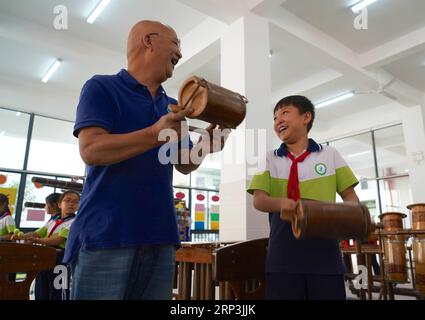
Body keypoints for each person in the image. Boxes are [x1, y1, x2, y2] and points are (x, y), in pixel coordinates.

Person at [65, 20, 226, 300]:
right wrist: (154, 133)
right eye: (176, 43)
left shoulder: (173, 105)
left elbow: (185, 163)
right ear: (149, 41)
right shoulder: (101, 87)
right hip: (107, 235)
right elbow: (91, 149)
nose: (180, 53)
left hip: (160, 236)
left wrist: (206, 145)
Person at [247, 95, 360, 300]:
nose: (278, 120)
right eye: (275, 117)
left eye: (285, 113)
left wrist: (350, 219)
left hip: (325, 254)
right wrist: (283, 203)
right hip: (282, 254)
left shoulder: (330, 154)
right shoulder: (269, 158)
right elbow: (259, 200)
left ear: (306, 117)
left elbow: (350, 197)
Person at [19, 191, 80, 300]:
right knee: (42, 288)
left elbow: (57, 240)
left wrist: (36, 241)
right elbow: (37, 232)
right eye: (67, 200)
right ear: (59, 204)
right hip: (45, 258)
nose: (71, 204)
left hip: (61, 259)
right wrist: (22, 236)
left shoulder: (75, 222)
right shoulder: (52, 221)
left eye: (75, 202)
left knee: (58, 290)